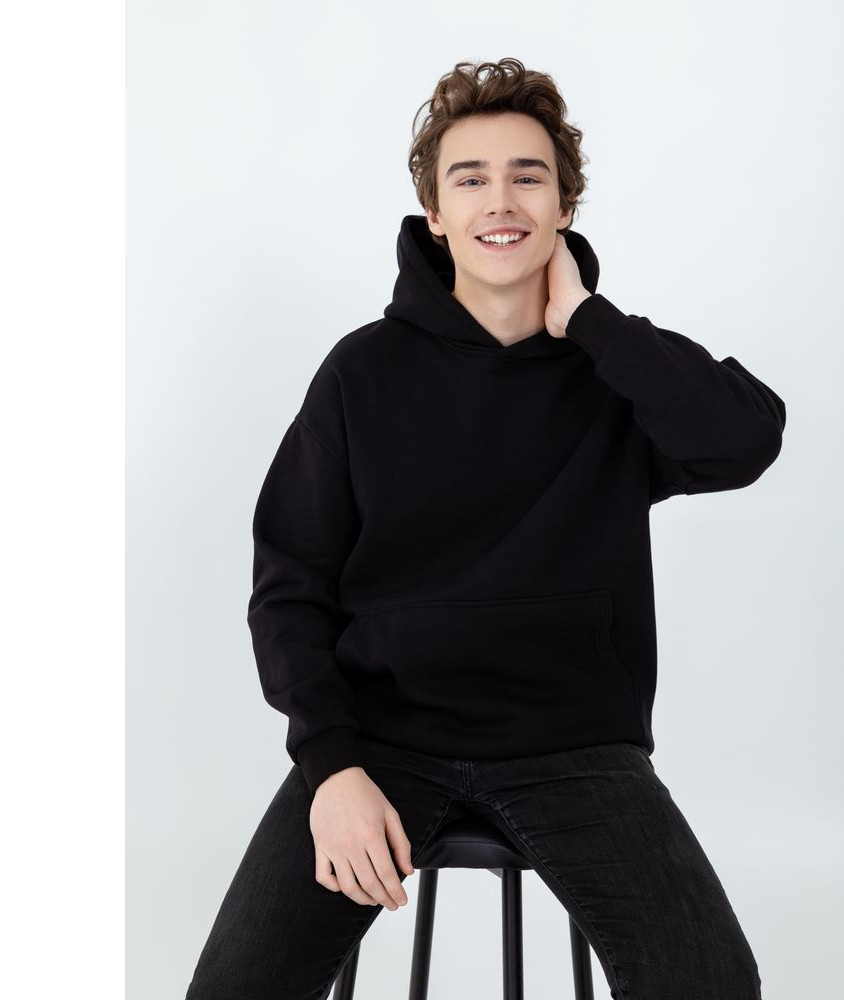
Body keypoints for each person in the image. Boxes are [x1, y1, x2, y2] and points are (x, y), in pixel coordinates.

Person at [185, 58, 786, 1000]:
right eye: (470, 179)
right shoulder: (360, 376)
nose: (499, 201)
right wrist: (332, 770)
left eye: (527, 176)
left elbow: (745, 441)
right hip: (379, 744)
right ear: (435, 213)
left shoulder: (616, 372)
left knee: (712, 985)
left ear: (564, 207)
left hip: (576, 747)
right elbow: (289, 590)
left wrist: (591, 322)